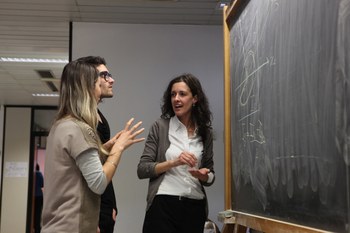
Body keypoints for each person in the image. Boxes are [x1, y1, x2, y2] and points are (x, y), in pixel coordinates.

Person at [41, 59, 144, 233]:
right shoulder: (80, 128)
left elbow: (75, 169)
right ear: (87, 87)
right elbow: (99, 183)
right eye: (99, 80)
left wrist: (108, 146)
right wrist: (117, 149)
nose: (107, 82)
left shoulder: (61, 125)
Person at [137, 73, 215, 233]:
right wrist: (174, 162)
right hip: (164, 205)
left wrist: (204, 175)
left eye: (182, 94)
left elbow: (210, 174)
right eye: (173, 95)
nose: (176, 99)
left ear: (195, 99)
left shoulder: (205, 132)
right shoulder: (160, 127)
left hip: (195, 206)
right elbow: (142, 169)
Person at [77, 56, 118, 233]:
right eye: (105, 75)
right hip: (92, 205)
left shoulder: (97, 114)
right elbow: (85, 172)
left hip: (104, 202)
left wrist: (111, 204)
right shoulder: (80, 118)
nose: (111, 80)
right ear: (90, 80)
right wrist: (118, 148)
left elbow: (97, 157)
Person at [34, 163, 44, 233]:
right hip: (39, 196)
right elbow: (42, 184)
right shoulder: (39, 174)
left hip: (32, 197)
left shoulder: (32, 173)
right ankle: (37, 229)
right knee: (38, 213)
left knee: (33, 213)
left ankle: (33, 226)